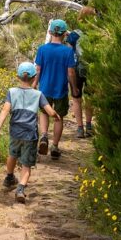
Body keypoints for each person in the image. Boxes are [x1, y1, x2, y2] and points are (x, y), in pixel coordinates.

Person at [0, 61, 61, 203]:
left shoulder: (11, 92)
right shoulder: (38, 94)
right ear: (34, 78)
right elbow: (48, 111)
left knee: (12, 154)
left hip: (15, 132)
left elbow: (5, 110)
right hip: (30, 134)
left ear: (18, 77)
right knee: (26, 164)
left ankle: (9, 177)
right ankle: (20, 189)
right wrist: (55, 115)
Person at [33, 18, 78, 159]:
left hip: (44, 89)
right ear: (65, 34)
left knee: (44, 113)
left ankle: (44, 136)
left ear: (49, 32)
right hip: (61, 90)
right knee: (58, 118)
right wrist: (74, 88)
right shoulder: (67, 52)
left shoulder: (42, 49)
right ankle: (55, 146)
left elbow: (38, 70)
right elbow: (70, 73)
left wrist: (34, 84)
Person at [67, 7, 96, 137]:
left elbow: (68, 53)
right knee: (89, 98)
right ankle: (89, 125)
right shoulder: (97, 31)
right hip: (92, 69)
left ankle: (80, 128)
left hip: (76, 69)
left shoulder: (74, 34)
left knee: (76, 99)